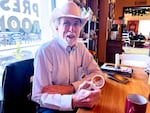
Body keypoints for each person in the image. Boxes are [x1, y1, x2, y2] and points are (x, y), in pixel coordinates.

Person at [31, 1, 105, 113]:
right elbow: (38, 96)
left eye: (76, 24)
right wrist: (72, 100)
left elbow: (98, 74)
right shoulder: (45, 51)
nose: (71, 29)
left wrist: (71, 88)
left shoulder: (81, 48)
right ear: (57, 27)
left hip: (77, 99)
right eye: (66, 23)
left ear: (80, 28)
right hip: (51, 107)